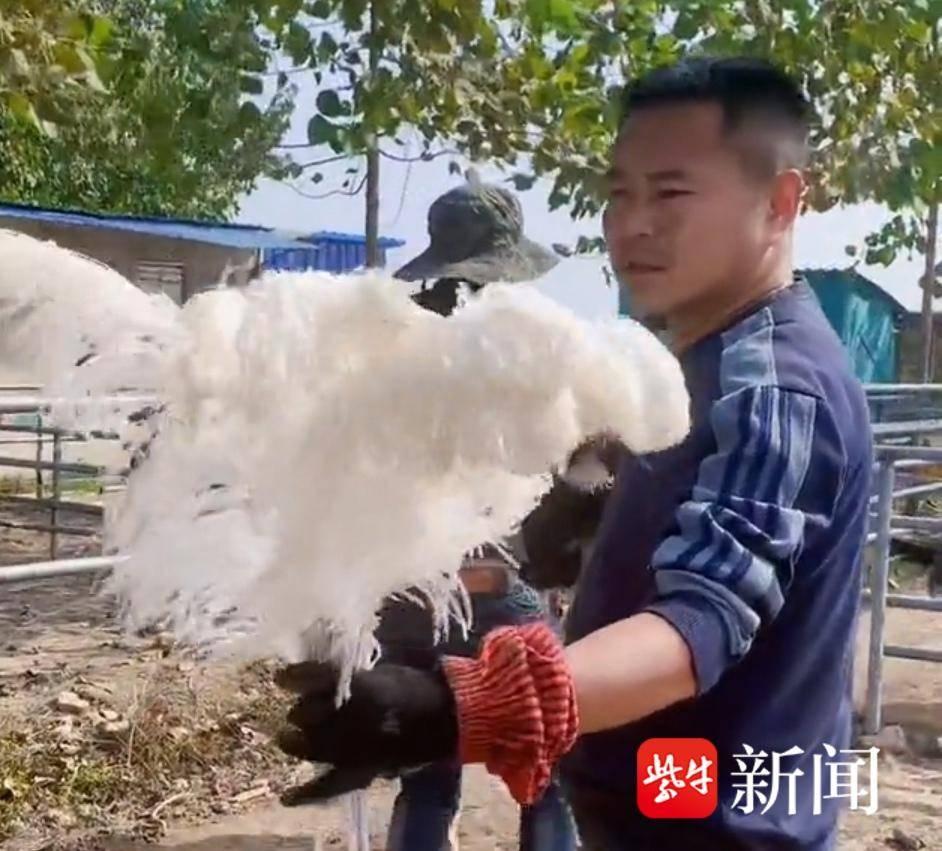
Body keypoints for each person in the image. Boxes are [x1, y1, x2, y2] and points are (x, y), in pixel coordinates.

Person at [274, 56, 874, 851]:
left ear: (780, 201)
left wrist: (462, 709)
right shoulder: (690, 364)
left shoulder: (770, 389)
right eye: (619, 194)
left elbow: (698, 622)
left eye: (670, 193)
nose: (633, 223)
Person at [372, 174, 579, 851]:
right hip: (495, 585)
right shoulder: (524, 348)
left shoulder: (391, 345)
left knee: (430, 771)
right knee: (547, 761)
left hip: (409, 586)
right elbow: (562, 472)